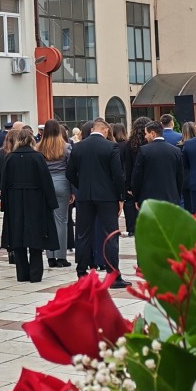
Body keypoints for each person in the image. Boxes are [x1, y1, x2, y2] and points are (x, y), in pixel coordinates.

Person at [67, 119, 125, 281]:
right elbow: (117, 175)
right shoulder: (110, 147)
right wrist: (120, 196)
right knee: (110, 235)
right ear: (105, 130)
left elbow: (69, 173)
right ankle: (113, 275)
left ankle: (81, 272)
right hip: (107, 197)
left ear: (93, 129)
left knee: (83, 234)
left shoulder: (78, 147)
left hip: (84, 196)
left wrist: (81, 186)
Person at [0, 124, 59, 283]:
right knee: (36, 238)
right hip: (36, 201)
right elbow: (46, 181)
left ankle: (22, 274)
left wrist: (4, 205)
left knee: (17, 238)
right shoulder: (37, 157)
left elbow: (4, 183)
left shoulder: (10, 158)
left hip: (15, 201)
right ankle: (35, 275)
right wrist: (51, 203)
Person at [37, 120, 72, 268]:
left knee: (47, 221)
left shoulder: (39, 147)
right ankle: (61, 257)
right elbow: (71, 169)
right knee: (61, 221)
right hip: (62, 182)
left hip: (45, 185)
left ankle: (50, 256)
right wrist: (72, 190)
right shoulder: (66, 147)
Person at [132, 119, 187, 210]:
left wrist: (137, 198)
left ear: (153, 133)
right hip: (171, 197)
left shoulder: (144, 151)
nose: (145, 137)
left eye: (146, 133)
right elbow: (180, 176)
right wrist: (177, 195)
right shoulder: (175, 151)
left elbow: (137, 176)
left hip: (149, 199)